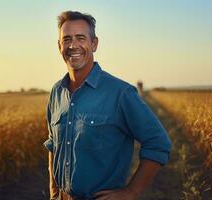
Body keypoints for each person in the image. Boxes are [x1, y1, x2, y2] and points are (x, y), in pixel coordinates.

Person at [43, 10, 172, 200]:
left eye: (81, 38)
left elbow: (158, 143)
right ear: (59, 46)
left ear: (94, 44)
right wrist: (54, 192)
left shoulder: (120, 93)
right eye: (67, 39)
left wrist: (131, 192)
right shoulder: (56, 92)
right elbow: (53, 145)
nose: (73, 45)